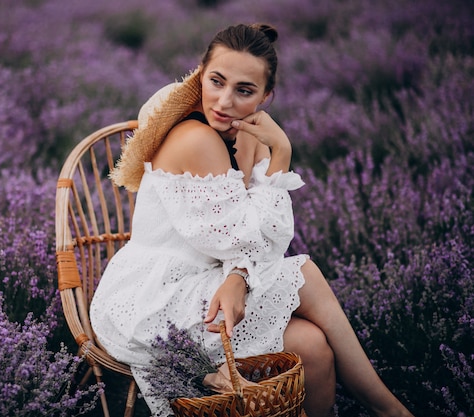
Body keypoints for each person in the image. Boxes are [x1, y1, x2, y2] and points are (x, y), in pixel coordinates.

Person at [90, 23, 414, 417]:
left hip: (208, 282)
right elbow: (247, 239)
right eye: (217, 81)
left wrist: (239, 273)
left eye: (244, 91)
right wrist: (282, 155)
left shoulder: (251, 136)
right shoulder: (196, 138)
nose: (224, 101)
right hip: (153, 298)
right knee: (306, 274)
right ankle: (391, 410)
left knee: (311, 346)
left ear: (265, 96)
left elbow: (266, 239)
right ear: (200, 74)